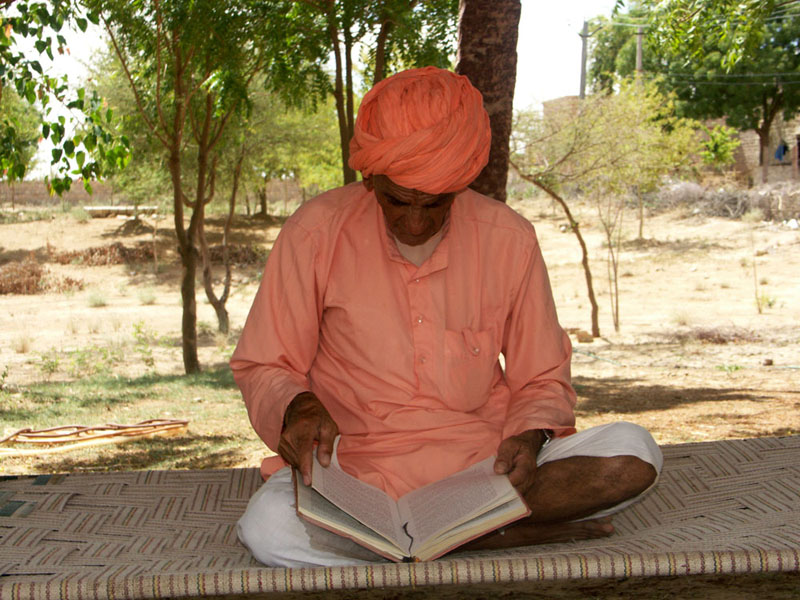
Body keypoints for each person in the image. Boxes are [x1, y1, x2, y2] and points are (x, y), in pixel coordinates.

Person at [231, 66, 663, 568]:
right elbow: (265, 364)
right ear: (370, 179)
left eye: (434, 204)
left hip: (484, 474)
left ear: (462, 183)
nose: (415, 222)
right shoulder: (315, 232)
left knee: (634, 453)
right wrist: (298, 407)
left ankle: (439, 539)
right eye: (397, 201)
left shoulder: (509, 238)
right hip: (353, 473)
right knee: (266, 529)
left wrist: (529, 436)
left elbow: (542, 375)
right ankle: (481, 540)